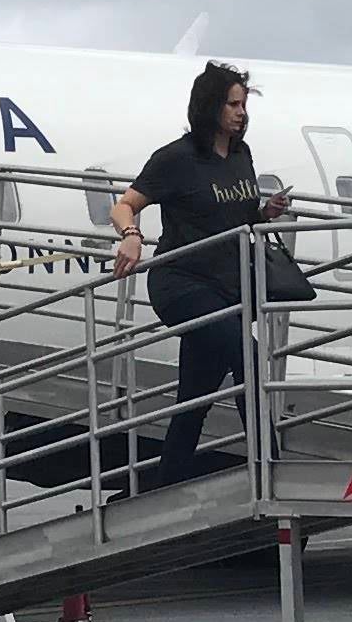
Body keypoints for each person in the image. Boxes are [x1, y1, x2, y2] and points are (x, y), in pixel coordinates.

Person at [114, 61, 287, 486]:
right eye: (232, 105)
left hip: (227, 287)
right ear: (210, 107)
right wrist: (132, 235)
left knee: (195, 397)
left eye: (243, 105)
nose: (241, 113)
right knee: (247, 355)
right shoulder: (177, 158)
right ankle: (273, 471)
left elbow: (237, 217)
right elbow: (124, 205)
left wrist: (265, 213)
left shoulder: (242, 155)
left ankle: (167, 484)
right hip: (182, 284)